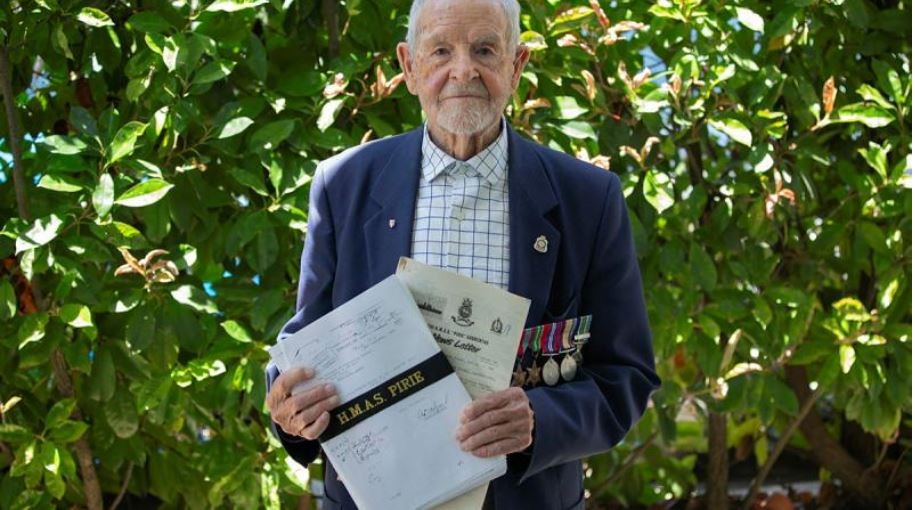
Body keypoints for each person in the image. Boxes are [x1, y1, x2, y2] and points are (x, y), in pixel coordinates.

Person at [265, 0, 660, 508]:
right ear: (409, 67)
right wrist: (289, 403)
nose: (463, 70)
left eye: (484, 50)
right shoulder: (344, 185)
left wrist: (541, 421)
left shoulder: (588, 198)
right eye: (442, 51)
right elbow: (306, 344)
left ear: (515, 66)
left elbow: (625, 376)